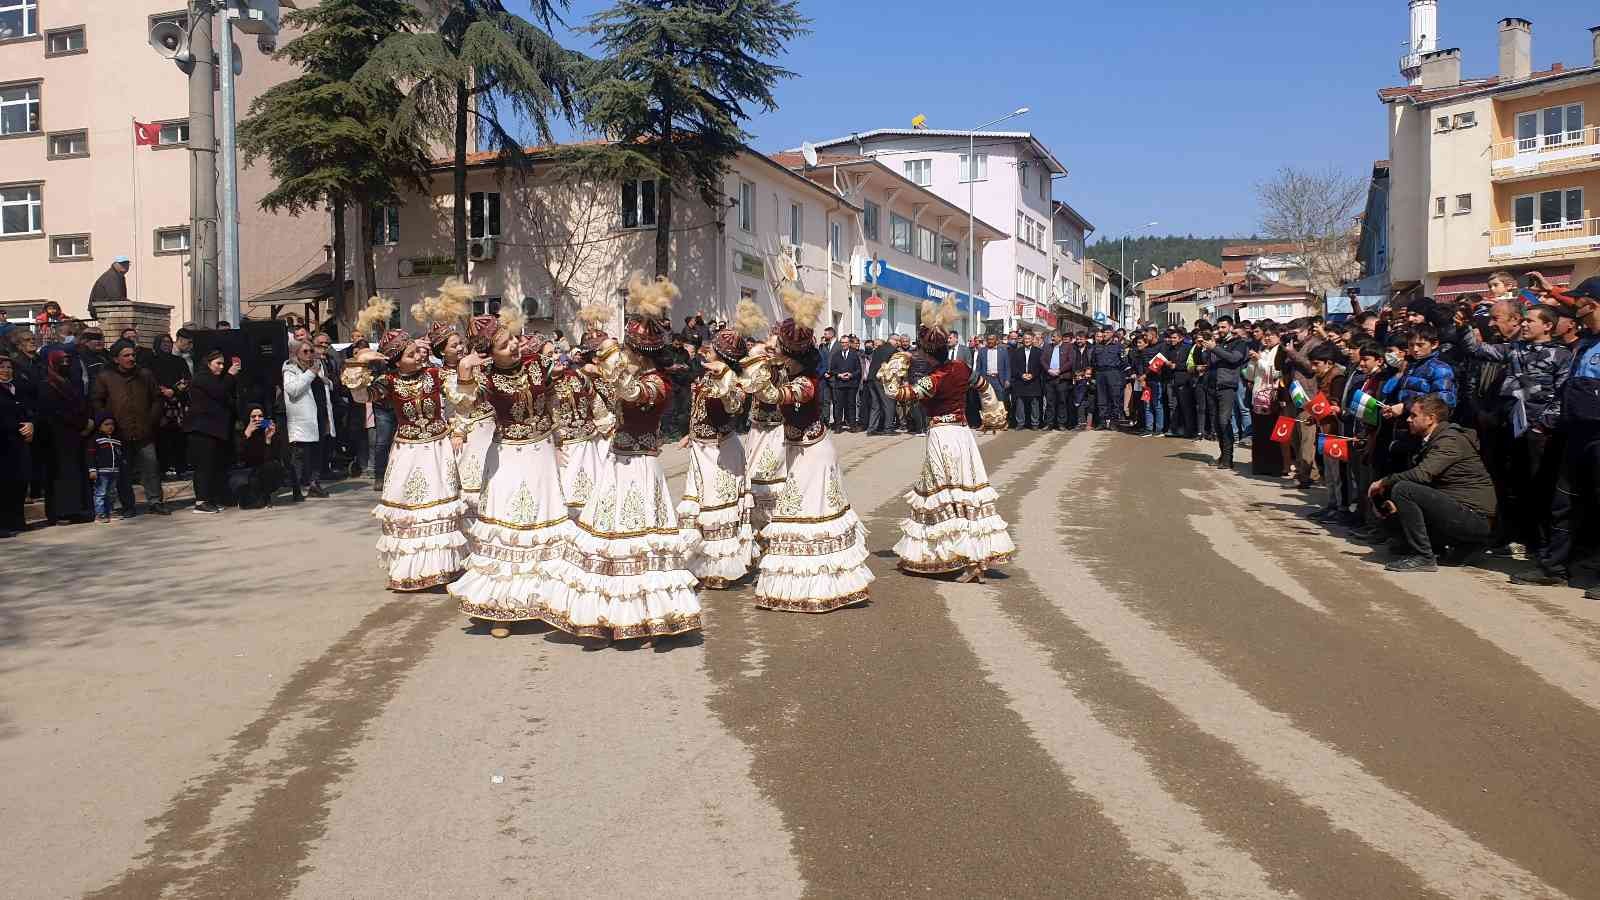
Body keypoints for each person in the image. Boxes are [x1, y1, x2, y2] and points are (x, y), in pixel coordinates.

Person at [539, 276, 703, 643]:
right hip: (617, 461)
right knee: (609, 539)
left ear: (640, 353)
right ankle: (608, 611)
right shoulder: (637, 374)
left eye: (629, 350)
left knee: (638, 541)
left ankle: (647, 615)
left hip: (640, 466)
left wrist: (611, 358)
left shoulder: (656, 382)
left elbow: (631, 395)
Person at [744, 285, 873, 613]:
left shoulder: (806, 383)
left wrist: (759, 370)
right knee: (794, 515)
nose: (777, 356)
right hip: (797, 449)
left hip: (812, 454)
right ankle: (795, 588)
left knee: (808, 517)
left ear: (793, 355)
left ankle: (822, 588)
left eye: (781, 353)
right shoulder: (790, 372)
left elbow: (774, 397)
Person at [446, 314, 574, 636]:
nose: (515, 346)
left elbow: (552, 402)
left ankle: (550, 600)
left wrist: (558, 440)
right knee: (508, 527)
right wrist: (464, 372)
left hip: (542, 454)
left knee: (546, 522)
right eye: (504, 345)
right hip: (508, 457)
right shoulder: (484, 378)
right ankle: (501, 609)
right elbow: (463, 407)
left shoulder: (536, 364)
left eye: (514, 339)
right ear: (489, 353)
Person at [888, 296, 1014, 582]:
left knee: (942, 497)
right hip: (963, 435)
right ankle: (969, 556)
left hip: (942, 438)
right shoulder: (960, 368)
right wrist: (993, 414)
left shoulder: (935, 378)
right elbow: (984, 386)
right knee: (965, 494)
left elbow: (900, 395)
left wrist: (895, 365)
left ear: (929, 354)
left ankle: (956, 556)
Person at [344, 329, 468, 592]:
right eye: (411, 354)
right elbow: (359, 394)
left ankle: (444, 567)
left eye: (419, 351)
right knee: (409, 506)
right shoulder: (388, 382)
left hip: (437, 447)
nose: (420, 356)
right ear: (397, 360)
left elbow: (460, 396)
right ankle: (409, 571)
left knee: (440, 504)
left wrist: (458, 428)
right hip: (407, 451)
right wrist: (363, 357)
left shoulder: (434, 375)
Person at [1512, 277, 1600, 590]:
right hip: (1575, 434)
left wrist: (1551, 291)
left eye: (1579, 301)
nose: (1572, 306)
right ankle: (1554, 567)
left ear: (1590, 303)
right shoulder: (1586, 342)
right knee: (1563, 503)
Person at [678, 305, 762, 589]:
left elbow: (733, 405)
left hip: (720, 451)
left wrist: (725, 375)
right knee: (701, 507)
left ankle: (722, 568)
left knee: (717, 507)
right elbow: (699, 407)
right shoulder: (706, 374)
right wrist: (690, 433)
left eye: (712, 348)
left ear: (722, 355)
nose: (706, 350)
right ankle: (702, 563)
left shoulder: (734, 381)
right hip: (701, 448)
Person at [1367, 394, 1496, 572]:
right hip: (1457, 511)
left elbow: (1422, 475)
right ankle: (1455, 548)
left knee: (1403, 489)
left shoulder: (1450, 440)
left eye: (1413, 416)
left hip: (1474, 517)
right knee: (1392, 507)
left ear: (1431, 419)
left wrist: (1383, 482)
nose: (1408, 420)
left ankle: (1424, 556)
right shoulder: (1432, 438)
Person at [91, 343, 168, 516]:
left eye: (132, 355)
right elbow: (97, 401)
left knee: (151, 467)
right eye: (126, 355)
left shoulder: (145, 374)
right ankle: (127, 505)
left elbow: (157, 399)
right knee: (123, 473)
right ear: (116, 358)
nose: (131, 358)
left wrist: (151, 419)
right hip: (118, 433)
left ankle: (155, 502)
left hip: (144, 430)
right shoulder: (105, 377)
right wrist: (107, 422)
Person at [35, 350, 92, 524]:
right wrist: (79, 423)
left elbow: (80, 404)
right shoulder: (47, 385)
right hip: (56, 437)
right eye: (62, 361)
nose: (66, 365)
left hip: (74, 435)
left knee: (74, 473)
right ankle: (59, 512)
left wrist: (85, 423)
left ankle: (75, 509)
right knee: (59, 475)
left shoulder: (69, 382)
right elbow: (54, 411)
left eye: (68, 361)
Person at [184, 349, 240, 513]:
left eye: (223, 364)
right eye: (218, 363)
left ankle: (212, 497)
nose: (221, 367)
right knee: (203, 466)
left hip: (214, 430)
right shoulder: (202, 378)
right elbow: (219, 392)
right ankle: (201, 501)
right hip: (202, 429)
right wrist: (230, 375)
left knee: (214, 465)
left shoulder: (217, 379)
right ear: (208, 364)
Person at [282, 338, 331, 499]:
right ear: (296, 353)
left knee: (318, 453)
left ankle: (314, 484)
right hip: (302, 419)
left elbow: (326, 387)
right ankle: (297, 488)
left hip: (319, 416)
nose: (309, 354)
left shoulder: (316, 367)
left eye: (311, 351)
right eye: (305, 351)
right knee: (300, 455)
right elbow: (293, 390)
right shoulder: (290, 368)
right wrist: (311, 374)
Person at [1199, 317, 1249, 469]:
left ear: (1230, 327)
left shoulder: (1239, 343)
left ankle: (1228, 459)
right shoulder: (1217, 343)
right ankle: (1223, 455)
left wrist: (1214, 348)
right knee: (1217, 424)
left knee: (1223, 421)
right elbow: (1208, 360)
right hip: (1212, 386)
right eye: (1218, 327)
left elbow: (1234, 359)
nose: (1220, 330)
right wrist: (1205, 348)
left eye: (1223, 327)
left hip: (1227, 387)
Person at [150, 334, 191, 478]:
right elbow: (149, 380)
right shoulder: (151, 361)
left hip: (177, 403)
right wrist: (163, 391)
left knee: (179, 437)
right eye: (163, 342)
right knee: (161, 437)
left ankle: (181, 467)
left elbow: (186, 379)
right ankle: (163, 468)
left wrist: (173, 391)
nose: (167, 345)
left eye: (169, 342)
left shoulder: (179, 361)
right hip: (159, 404)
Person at [0, 355, 33, 535]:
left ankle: (17, 521)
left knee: (19, 482)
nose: (6, 370)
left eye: (8, 367)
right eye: (2, 367)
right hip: (4, 443)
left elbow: (29, 410)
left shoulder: (17, 388)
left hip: (20, 443)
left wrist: (30, 424)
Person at [233, 405, 283, 509]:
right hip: (245, 472)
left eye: (260, 416)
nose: (257, 419)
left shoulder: (267, 431)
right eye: (253, 416)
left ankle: (265, 496)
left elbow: (271, 457)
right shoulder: (241, 432)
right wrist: (247, 434)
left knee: (272, 466)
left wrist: (268, 439)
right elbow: (239, 456)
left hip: (262, 470)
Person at [1090, 327, 1127, 430]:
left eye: (1107, 332)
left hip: (1113, 373)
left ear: (1112, 334)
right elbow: (1093, 362)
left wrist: (1121, 376)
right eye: (1103, 332)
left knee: (1114, 398)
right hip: (1100, 373)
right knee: (1101, 398)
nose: (1105, 334)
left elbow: (1124, 362)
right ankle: (1102, 421)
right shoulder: (1097, 347)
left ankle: (1114, 422)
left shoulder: (1118, 346)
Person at [88, 414, 121, 524]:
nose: (110, 427)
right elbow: (91, 456)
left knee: (112, 493)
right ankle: (100, 514)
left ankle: (111, 511)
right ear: (100, 426)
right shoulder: (96, 439)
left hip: (114, 471)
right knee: (101, 493)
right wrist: (92, 469)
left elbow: (120, 455)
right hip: (101, 472)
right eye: (106, 424)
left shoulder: (117, 440)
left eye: (112, 424)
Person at [865, 331, 901, 435]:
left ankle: (871, 429)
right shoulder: (893, 350)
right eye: (897, 341)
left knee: (875, 405)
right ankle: (888, 428)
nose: (898, 343)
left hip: (871, 378)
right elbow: (894, 366)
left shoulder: (878, 348)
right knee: (889, 403)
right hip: (882, 379)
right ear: (892, 340)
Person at [1010, 331, 1046, 429]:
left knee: (1035, 403)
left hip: (1034, 381)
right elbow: (1013, 367)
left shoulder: (1039, 352)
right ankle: (1020, 423)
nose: (1027, 340)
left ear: (1033, 339)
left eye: (1029, 338)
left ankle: (1035, 423)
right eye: (1025, 338)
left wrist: (1033, 375)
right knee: (1020, 403)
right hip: (1020, 381)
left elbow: (1041, 367)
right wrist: (1021, 375)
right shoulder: (1017, 351)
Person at [829, 334, 861, 431]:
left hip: (851, 384)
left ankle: (852, 426)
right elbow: (832, 369)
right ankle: (838, 426)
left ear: (849, 343)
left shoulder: (854, 354)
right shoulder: (836, 355)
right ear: (840, 343)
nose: (844, 344)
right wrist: (839, 375)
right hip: (839, 384)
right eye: (842, 343)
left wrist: (851, 375)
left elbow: (859, 370)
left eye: (846, 343)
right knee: (839, 406)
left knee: (851, 405)